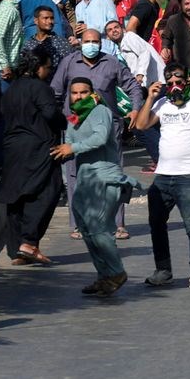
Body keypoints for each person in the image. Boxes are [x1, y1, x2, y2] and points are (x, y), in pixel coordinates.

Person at [58, 77, 142, 297]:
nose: (78, 97)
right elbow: (69, 144)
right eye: (74, 93)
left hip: (105, 177)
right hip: (85, 178)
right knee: (85, 229)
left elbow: (101, 138)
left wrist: (72, 148)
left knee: (98, 228)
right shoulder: (75, 117)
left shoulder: (99, 111)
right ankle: (104, 276)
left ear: (92, 93)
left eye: (83, 92)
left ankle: (116, 272)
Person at [132, 65, 190, 289]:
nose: (175, 86)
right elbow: (141, 125)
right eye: (170, 83)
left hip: (188, 175)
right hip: (163, 177)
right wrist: (150, 97)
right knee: (156, 224)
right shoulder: (162, 104)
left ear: (187, 81)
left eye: (179, 82)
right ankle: (163, 270)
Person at [0, 51, 65, 267]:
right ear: (38, 67)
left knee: (17, 196)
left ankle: (17, 250)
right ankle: (29, 242)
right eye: (48, 67)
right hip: (38, 146)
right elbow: (51, 114)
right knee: (46, 191)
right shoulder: (40, 88)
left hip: (13, 148)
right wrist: (64, 120)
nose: (49, 72)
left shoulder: (11, 89)